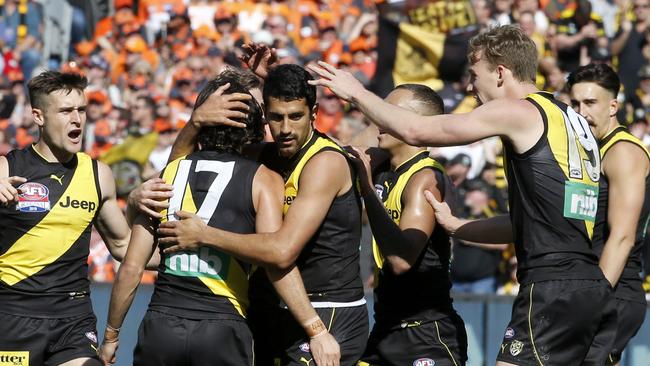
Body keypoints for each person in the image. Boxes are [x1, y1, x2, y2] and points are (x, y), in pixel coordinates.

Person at [309, 24, 613, 365]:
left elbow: (417, 129)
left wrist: (357, 93)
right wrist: (457, 226)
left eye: (474, 75)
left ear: (500, 73)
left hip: (552, 285)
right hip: (589, 284)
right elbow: (530, 223)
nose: (470, 86)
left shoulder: (519, 111)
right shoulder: (569, 120)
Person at [99, 73, 338, 366]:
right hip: (223, 328)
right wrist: (316, 328)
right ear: (252, 129)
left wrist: (111, 335)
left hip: (162, 326)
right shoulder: (263, 181)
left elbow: (132, 268)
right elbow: (278, 261)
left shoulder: (169, 174)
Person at [157, 64, 369, 365]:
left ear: (314, 113)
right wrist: (195, 123)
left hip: (328, 312)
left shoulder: (325, 164)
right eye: (276, 117)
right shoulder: (265, 155)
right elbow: (180, 171)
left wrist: (205, 234)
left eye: (295, 116)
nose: (284, 129)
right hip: (277, 307)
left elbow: (282, 251)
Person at [0, 71, 134, 365]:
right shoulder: (6, 169)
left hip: (73, 319)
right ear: (39, 116)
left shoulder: (99, 174)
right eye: (65, 111)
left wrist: (192, 246)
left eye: (81, 110)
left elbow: (125, 246)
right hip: (14, 316)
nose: (77, 119)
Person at [351, 84, 467, 365]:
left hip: (426, 336)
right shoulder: (385, 166)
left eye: (390, 112)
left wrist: (368, 192)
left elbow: (402, 260)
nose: (381, 119)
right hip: (385, 330)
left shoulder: (424, 178)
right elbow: (336, 153)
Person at [567, 63, 650, 365]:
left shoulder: (623, 151)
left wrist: (592, 300)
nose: (581, 111)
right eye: (574, 103)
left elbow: (623, 237)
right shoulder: (591, 150)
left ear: (613, 106)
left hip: (613, 290)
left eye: (590, 102)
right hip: (592, 287)